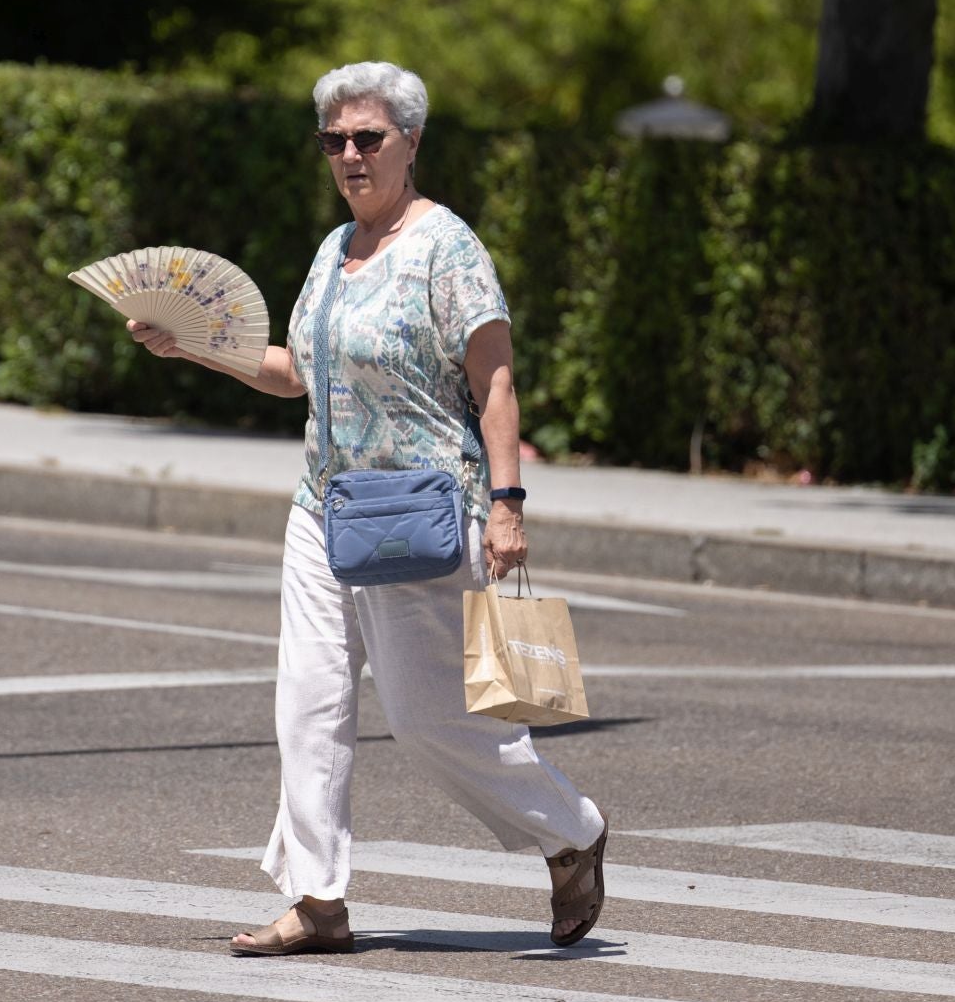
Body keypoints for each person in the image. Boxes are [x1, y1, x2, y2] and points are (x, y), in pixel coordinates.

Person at [128, 60, 607, 955]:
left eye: (368, 138)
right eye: (334, 141)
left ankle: (572, 827)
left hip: (420, 513)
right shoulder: (332, 251)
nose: (350, 155)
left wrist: (507, 504)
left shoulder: (447, 247)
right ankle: (318, 901)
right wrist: (193, 345)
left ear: (411, 144)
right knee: (306, 705)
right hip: (325, 509)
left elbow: (494, 381)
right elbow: (295, 377)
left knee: (431, 725)